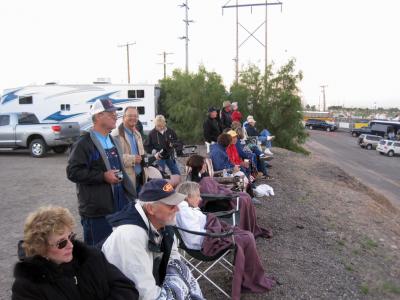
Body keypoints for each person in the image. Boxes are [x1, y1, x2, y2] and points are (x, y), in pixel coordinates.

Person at [102, 179, 204, 300]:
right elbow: (146, 295)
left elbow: (174, 261)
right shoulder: (130, 237)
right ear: (150, 208)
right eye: (171, 205)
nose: (178, 209)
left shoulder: (162, 225)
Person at [12, 206, 139, 300]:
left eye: (71, 237)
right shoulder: (28, 285)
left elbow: (126, 287)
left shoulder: (91, 257)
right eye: (61, 243)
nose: (71, 245)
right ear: (42, 248)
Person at [176, 182, 275, 300]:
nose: (200, 198)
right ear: (188, 197)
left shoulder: (185, 209)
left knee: (245, 235)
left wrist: (214, 225)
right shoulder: (185, 212)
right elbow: (196, 238)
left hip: (206, 238)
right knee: (246, 237)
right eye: (197, 196)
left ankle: (248, 275)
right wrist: (218, 233)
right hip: (204, 246)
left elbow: (201, 226)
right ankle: (249, 278)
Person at [66, 98, 136, 246]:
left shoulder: (113, 140)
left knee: (116, 248)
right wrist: (103, 176)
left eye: (115, 113)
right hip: (97, 212)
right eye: (110, 113)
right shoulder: (83, 143)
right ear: (98, 116)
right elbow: (73, 172)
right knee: (97, 253)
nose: (115, 116)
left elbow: (119, 169)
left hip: (118, 205)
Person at [186, 154, 272, 238]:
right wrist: (227, 192)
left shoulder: (203, 176)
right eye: (204, 163)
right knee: (243, 200)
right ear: (199, 166)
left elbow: (215, 186)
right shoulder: (196, 181)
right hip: (216, 201)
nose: (205, 165)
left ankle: (249, 227)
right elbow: (209, 194)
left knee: (246, 196)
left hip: (220, 196)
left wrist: (225, 190)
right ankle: (243, 228)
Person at [112, 106, 147, 193]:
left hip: (140, 177)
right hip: (127, 180)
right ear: (124, 117)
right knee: (129, 205)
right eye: (130, 115)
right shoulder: (116, 135)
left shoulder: (137, 134)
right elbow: (113, 159)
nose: (133, 118)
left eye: (135, 116)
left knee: (140, 205)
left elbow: (142, 154)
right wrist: (132, 159)